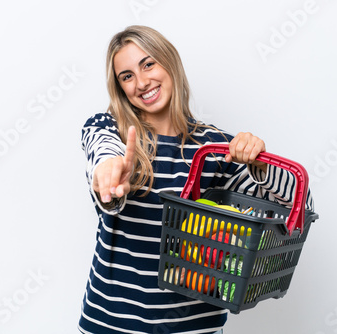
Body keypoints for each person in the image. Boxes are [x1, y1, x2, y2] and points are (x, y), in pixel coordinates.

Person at [79, 25, 314, 334]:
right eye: (127, 76)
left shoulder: (216, 149)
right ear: (120, 87)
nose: (142, 82)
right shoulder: (113, 132)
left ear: (169, 61)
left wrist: (261, 167)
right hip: (109, 324)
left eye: (148, 64)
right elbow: (103, 153)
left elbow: (300, 206)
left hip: (192, 328)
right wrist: (110, 173)